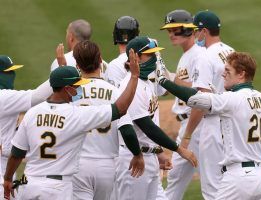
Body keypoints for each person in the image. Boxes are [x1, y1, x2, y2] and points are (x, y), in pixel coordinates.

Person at [3, 49, 140, 200]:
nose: (79, 89)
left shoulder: (32, 114)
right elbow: (119, 109)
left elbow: (17, 152)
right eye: (76, 86)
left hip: (30, 185)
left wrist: (8, 178)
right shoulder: (75, 115)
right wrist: (134, 77)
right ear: (67, 89)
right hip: (58, 189)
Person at [156, 51, 261, 200]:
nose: (223, 75)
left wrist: (163, 81)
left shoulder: (232, 99)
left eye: (228, 71)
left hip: (239, 179)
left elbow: (195, 99)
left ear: (241, 74)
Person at [115, 36, 197, 200]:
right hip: (135, 159)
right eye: (149, 55)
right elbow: (145, 125)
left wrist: (157, 151)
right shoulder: (131, 86)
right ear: (135, 57)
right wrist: (179, 149)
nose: (154, 59)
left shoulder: (145, 83)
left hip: (149, 157)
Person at [69, 40, 144, 200]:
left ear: (77, 63)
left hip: (77, 165)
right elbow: (127, 130)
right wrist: (137, 155)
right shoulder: (114, 92)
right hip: (106, 166)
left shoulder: (71, 92)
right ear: (100, 60)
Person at [180, 10, 234, 199]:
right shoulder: (231, 51)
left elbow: (202, 101)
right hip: (232, 123)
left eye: (196, 31)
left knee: (212, 188)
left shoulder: (205, 56)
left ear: (204, 31)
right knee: (230, 183)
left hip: (212, 125)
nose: (194, 35)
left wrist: (187, 135)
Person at [160, 9, 205, 200]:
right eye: (169, 30)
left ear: (188, 30)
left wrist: (171, 81)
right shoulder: (186, 56)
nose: (171, 34)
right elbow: (183, 88)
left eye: (175, 29)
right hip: (187, 126)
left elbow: (201, 95)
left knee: (212, 185)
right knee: (174, 181)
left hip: (199, 127)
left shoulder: (199, 56)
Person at [0, 55, 54, 200]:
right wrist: (58, 75)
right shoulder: (3, 97)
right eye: (7, 72)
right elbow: (37, 97)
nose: (12, 76)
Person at [105, 16, 139, 88]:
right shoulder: (146, 58)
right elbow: (164, 92)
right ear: (137, 36)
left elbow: (115, 98)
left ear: (114, 36)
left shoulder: (114, 66)